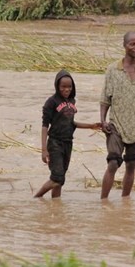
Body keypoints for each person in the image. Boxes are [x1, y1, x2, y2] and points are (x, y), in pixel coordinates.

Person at [100, 31, 135, 199]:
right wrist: (102, 121)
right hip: (116, 125)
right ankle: (104, 202)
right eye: (132, 44)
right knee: (113, 163)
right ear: (124, 46)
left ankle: (125, 201)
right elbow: (105, 99)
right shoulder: (113, 70)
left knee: (131, 165)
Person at [35, 70, 101, 198]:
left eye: (69, 87)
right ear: (57, 87)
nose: (66, 89)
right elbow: (44, 126)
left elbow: (71, 123)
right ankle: (37, 198)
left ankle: (56, 204)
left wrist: (91, 126)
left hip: (68, 143)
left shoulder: (72, 101)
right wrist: (44, 150)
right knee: (57, 178)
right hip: (55, 143)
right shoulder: (51, 102)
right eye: (63, 87)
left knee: (60, 179)